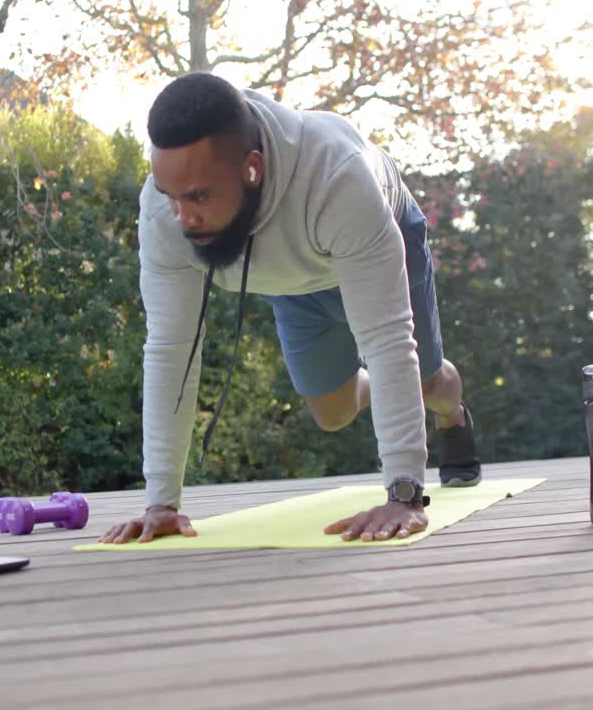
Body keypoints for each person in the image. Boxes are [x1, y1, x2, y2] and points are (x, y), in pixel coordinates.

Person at [97, 72, 481, 545]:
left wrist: (404, 494)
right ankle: (384, 390)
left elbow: (386, 339)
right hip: (295, 273)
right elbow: (170, 351)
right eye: (170, 195)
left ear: (252, 168)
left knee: (423, 378)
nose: (183, 217)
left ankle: (453, 413)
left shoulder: (339, 177)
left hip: (373, 235)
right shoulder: (163, 216)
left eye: (197, 196)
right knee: (332, 413)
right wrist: (161, 503)